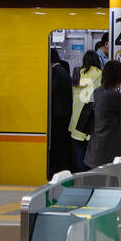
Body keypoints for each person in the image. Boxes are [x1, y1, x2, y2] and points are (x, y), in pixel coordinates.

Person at [84, 59, 121, 169]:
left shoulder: (98, 91)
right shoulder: (113, 95)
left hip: (96, 148)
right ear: (117, 80)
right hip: (109, 152)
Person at [68, 50, 102, 172]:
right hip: (91, 120)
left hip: (76, 119)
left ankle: (79, 175)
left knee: (78, 149)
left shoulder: (77, 74)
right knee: (91, 152)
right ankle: (90, 176)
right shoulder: (100, 74)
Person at [47, 47, 73, 178]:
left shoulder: (55, 72)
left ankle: (58, 170)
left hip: (58, 115)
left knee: (58, 144)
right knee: (62, 143)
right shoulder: (63, 71)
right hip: (65, 113)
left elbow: (50, 90)